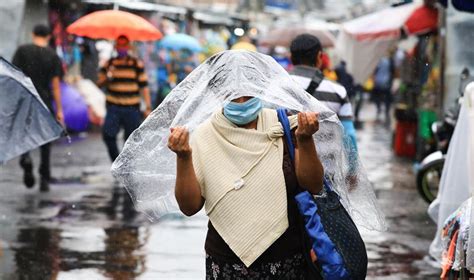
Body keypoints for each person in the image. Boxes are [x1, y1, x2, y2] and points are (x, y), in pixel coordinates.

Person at [168, 96, 324, 278]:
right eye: (234, 95)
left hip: (288, 260)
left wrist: (305, 140)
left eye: (248, 94)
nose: (242, 103)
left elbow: (314, 184)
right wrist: (183, 157)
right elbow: (189, 207)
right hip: (226, 265)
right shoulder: (204, 136)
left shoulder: (284, 125)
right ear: (220, 92)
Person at [289, 34, 358, 169]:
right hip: (326, 173)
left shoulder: (276, 88)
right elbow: (349, 135)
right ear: (319, 57)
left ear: (291, 57)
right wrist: (353, 169)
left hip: (286, 172)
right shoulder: (338, 91)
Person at [12, 24, 64, 192]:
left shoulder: (22, 51)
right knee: (45, 139)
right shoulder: (53, 56)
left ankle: (26, 157)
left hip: (25, 99)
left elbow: (14, 76)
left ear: (33, 34)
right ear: (49, 36)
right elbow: (56, 85)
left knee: (24, 133)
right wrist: (59, 110)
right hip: (44, 101)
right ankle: (44, 176)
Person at [97, 35, 152, 162]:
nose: (122, 48)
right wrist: (108, 76)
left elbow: (144, 86)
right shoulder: (109, 63)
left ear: (129, 47)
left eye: (124, 45)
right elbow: (99, 84)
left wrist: (148, 107)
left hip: (132, 108)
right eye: (119, 45)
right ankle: (117, 162)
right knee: (108, 135)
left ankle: (127, 167)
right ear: (116, 46)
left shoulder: (136, 63)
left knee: (131, 141)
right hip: (113, 107)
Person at [372, 53, 396, 122]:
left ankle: (379, 108)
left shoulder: (378, 60)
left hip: (378, 81)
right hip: (386, 82)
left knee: (378, 96)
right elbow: (393, 71)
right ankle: (386, 110)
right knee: (387, 97)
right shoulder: (390, 60)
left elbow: (375, 70)